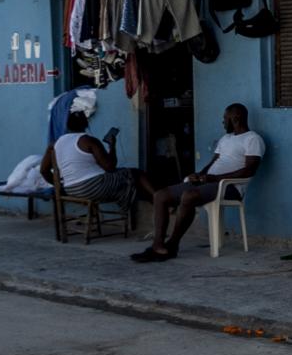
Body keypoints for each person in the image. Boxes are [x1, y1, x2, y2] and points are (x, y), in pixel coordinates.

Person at [131, 103, 264, 263]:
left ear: (236, 117)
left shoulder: (253, 139)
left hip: (230, 187)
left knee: (189, 196)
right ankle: (158, 246)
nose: (223, 122)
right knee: (160, 195)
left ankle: (172, 244)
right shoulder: (226, 139)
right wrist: (200, 174)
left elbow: (249, 170)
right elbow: (214, 162)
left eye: (225, 118)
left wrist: (214, 179)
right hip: (208, 182)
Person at [40, 108, 138, 207]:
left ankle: (138, 202)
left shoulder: (54, 144)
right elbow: (110, 167)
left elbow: (43, 170)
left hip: (71, 190)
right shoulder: (89, 140)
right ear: (86, 124)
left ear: (67, 125)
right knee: (135, 174)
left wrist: (60, 185)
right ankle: (146, 203)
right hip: (93, 188)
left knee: (125, 177)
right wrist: (112, 147)